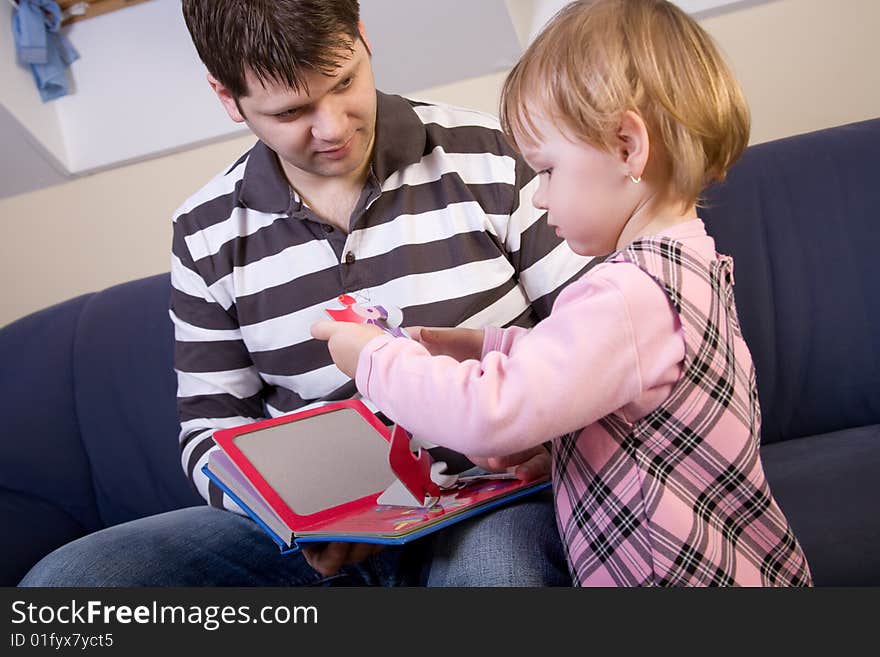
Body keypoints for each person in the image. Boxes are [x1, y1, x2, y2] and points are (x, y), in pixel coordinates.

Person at [18, 0, 591, 587]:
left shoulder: (493, 152)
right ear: (226, 98)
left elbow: (589, 338)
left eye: (345, 83)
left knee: (498, 576)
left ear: (362, 37)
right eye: (292, 111)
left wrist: (553, 445)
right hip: (312, 537)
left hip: (493, 501)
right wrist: (286, 514)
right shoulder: (205, 232)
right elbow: (209, 428)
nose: (334, 127)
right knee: (72, 582)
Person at [312, 0, 813, 586]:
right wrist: (482, 347)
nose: (540, 196)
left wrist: (374, 357)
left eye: (547, 170)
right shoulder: (681, 270)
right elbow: (608, 391)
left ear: (627, 146)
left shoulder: (627, 296)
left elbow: (489, 416)